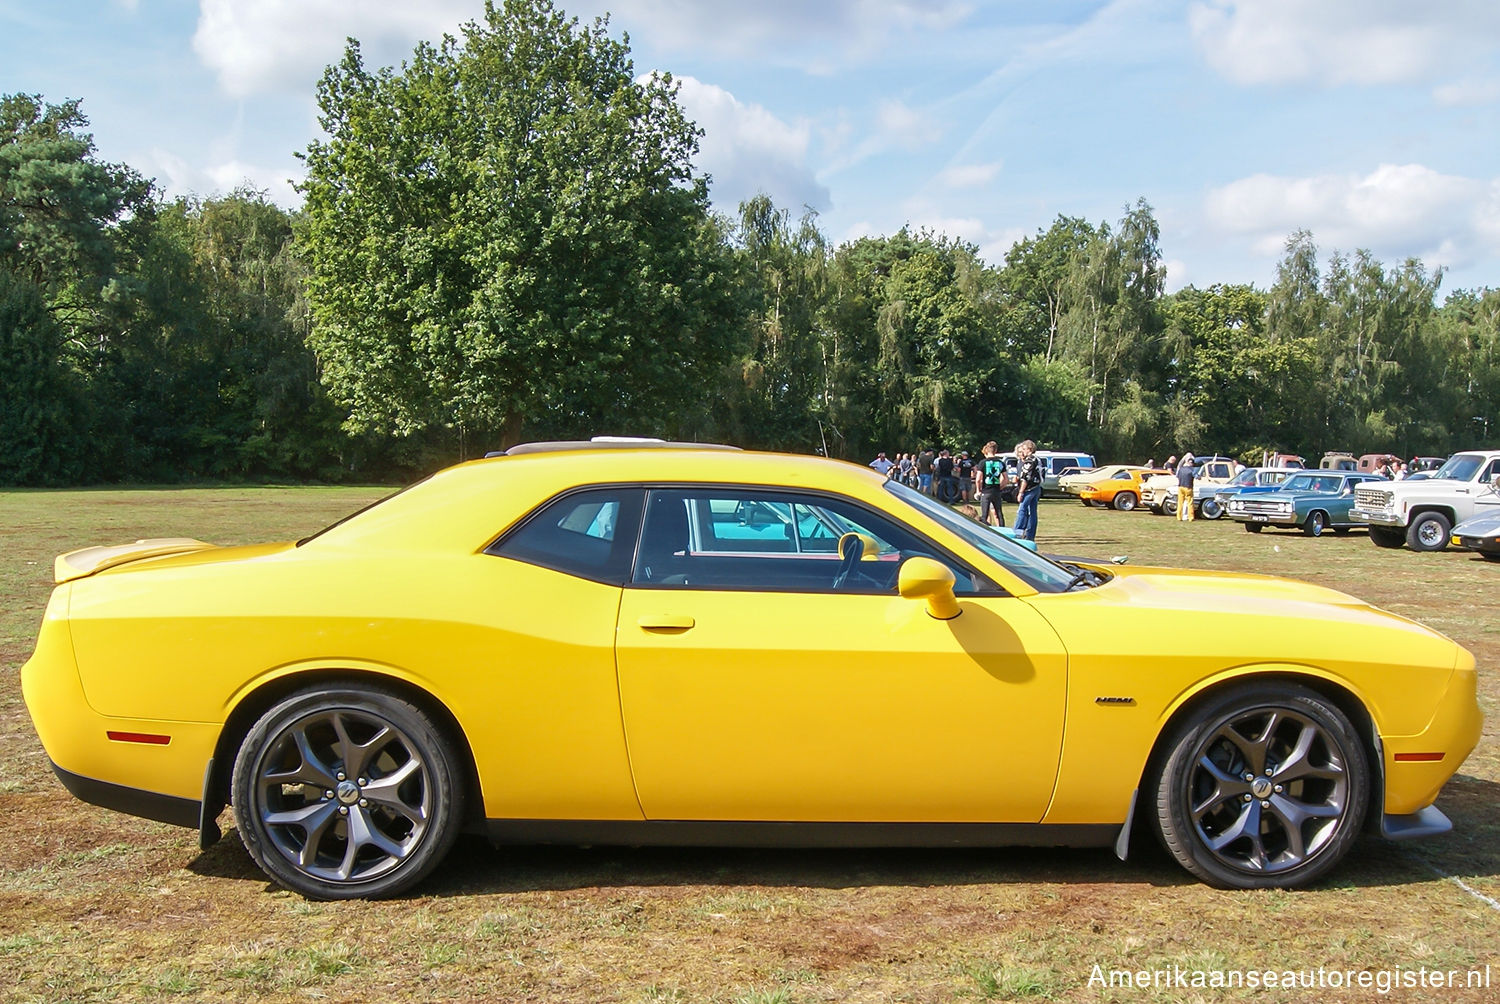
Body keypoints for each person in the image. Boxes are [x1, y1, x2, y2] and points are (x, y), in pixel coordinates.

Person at [1013, 440, 1043, 540]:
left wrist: (1021, 492)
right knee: (1033, 512)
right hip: (1037, 487)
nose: (1023, 452)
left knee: (1022, 509)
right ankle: (1030, 535)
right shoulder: (1038, 459)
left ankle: (1017, 532)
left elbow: (1025, 478)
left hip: (1029, 489)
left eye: (1024, 449)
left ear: (1029, 449)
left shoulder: (1029, 461)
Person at [977, 441, 1009, 527]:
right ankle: (1002, 530)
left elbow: (978, 479)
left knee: (984, 515)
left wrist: (978, 490)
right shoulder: (1000, 463)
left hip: (986, 491)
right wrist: (1000, 487)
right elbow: (1006, 478)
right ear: (996, 451)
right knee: (999, 513)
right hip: (996, 491)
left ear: (986, 450)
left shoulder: (983, 463)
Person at [1176, 452, 1197, 522]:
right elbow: (1197, 476)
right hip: (1188, 487)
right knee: (1190, 503)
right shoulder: (1192, 470)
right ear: (1191, 463)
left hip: (1180, 487)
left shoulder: (1181, 469)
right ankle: (1190, 517)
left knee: (1180, 503)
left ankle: (1179, 517)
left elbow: (1178, 476)